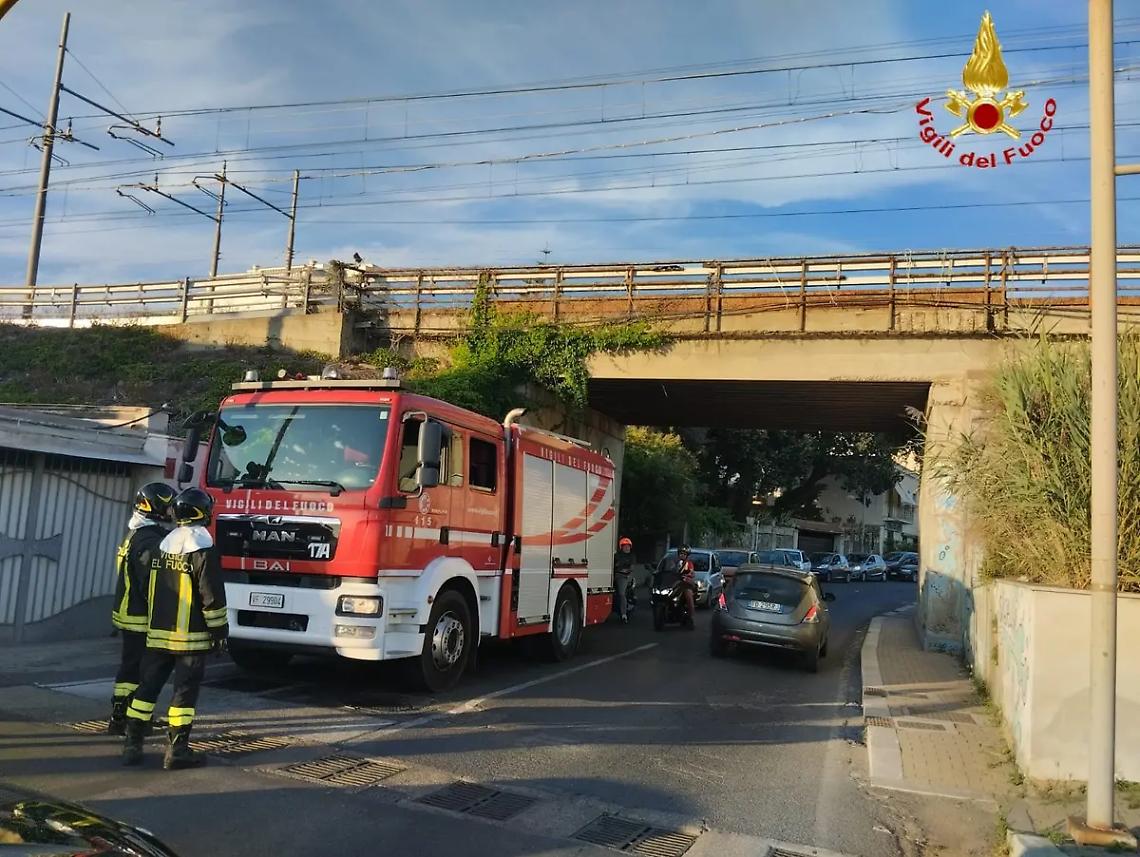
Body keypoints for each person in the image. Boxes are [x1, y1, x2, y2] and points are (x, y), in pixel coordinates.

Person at [122, 487, 228, 770]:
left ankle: (131, 745)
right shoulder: (202, 547)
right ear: (202, 513)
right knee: (184, 693)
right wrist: (219, 633)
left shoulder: (162, 544)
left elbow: (149, 588)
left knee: (148, 687)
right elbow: (212, 596)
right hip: (190, 639)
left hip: (158, 634)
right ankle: (177, 751)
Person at [108, 482, 175, 735]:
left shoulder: (136, 533)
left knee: (129, 667)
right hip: (140, 616)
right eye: (167, 506)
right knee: (142, 670)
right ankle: (135, 721)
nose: (171, 511)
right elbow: (151, 582)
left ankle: (119, 715)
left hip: (128, 611)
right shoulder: (149, 540)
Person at [613, 537, 635, 623]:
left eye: (628, 546)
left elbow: (632, 567)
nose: (627, 548)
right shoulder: (617, 555)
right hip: (615, 575)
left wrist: (627, 572)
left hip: (624, 577)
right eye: (625, 546)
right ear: (621, 547)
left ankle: (623, 615)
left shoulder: (632, 556)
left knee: (621, 594)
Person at [676, 544, 697, 627]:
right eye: (681, 553)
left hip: (685, 584)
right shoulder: (674, 562)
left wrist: (688, 575)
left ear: (687, 555)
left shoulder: (689, 563)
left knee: (688, 595)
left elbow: (692, 572)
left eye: (684, 554)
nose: (682, 555)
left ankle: (691, 616)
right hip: (674, 583)